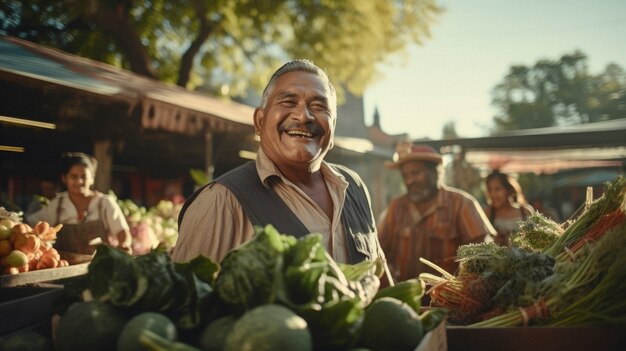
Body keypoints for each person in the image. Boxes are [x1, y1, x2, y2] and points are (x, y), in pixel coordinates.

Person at [172, 59, 387, 270]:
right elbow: (186, 301)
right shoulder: (221, 201)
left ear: (333, 129)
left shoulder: (353, 187)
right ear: (260, 121)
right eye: (288, 102)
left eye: (319, 106)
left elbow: (380, 282)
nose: (303, 116)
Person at [378, 142, 496, 282]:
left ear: (435, 172)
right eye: (405, 176)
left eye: (415, 173)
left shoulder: (461, 204)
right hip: (405, 299)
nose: (410, 181)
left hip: (450, 301)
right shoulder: (396, 207)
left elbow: (484, 252)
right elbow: (379, 251)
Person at [27, 152, 131, 259]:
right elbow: (31, 223)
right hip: (65, 268)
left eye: (84, 176)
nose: (79, 181)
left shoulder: (104, 203)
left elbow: (122, 232)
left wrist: (124, 244)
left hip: (99, 266)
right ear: (64, 178)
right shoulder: (58, 204)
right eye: (74, 176)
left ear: (92, 179)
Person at [483, 170, 534, 246]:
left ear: (509, 190)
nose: (493, 194)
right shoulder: (486, 214)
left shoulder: (525, 212)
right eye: (490, 190)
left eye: (497, 189)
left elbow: (534, 240)